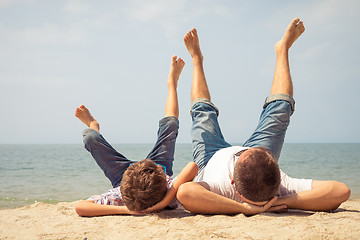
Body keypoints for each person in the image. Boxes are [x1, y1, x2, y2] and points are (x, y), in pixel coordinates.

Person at [176, 18, 351, 215]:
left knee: (202, 113)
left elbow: (185, 193)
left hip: (210, 158)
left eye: (242, 155)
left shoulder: (221, 186)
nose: (240, 151)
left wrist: (242, 208)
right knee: (281, 109)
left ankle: (197, 59)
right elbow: (341, 191)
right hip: (258, 166)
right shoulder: (281, 184)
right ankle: (282, 49)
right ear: (275, 168)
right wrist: (284, 200)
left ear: (232, 180)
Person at [74, 56, 198, 217]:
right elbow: (192, 167)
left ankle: (93, 125)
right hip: (157, 172)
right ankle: (172, 84)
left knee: (90, 137)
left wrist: (128, 209)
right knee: (171, 125)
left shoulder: (120, 195)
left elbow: (80, 207)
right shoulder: (168, 192)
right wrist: (165, 200)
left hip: (125, 180)